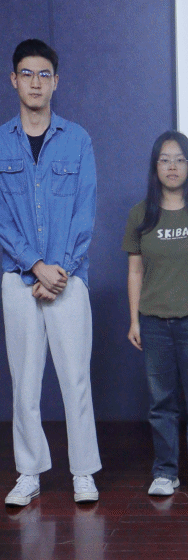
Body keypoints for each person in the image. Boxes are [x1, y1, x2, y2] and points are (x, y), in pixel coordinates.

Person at [0, 39, 101, 506]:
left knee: (75, 378)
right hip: (17, 276)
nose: (35, 82)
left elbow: (85, 210)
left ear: (56, 82)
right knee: (24, 380)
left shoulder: (77, 139)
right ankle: (29, 472)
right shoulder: (2, 141)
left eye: (44, 74)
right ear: (13, 80)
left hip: (68, 276)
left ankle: (83, 472)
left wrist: (58, 269)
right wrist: (34, 265)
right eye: (27, 73)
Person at [123, 131, 188, 499]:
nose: (172, 167)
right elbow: (134, 271)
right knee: (161, 403)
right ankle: (165, 472)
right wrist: (134, 320)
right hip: (154, 321)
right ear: (155, 167)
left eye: (180, 159)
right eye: (165, 160)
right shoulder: (140, 214)